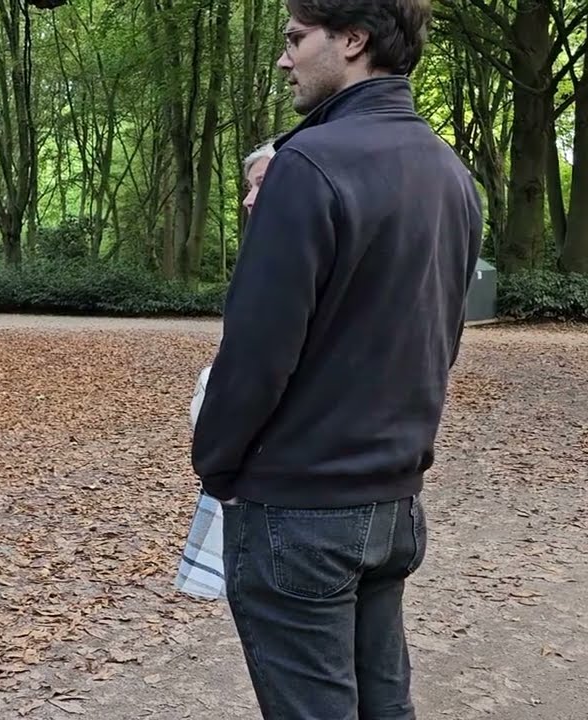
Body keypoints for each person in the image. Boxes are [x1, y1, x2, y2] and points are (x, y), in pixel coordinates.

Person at [191, 0, 482, 717]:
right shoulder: (451, 174)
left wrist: (218, 466)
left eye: (296, 38)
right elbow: (442, 339)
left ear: (353, 40)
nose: (284, 57)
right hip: (394, 507)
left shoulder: (308, 165)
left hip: (300, 509)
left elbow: (256, 354)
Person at [174, 140, 276, 601]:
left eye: (260, 185)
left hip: (279, 487)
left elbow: (255, 372)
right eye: (248, 187)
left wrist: (217, 471)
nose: (248, 199)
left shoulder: (287, 264)